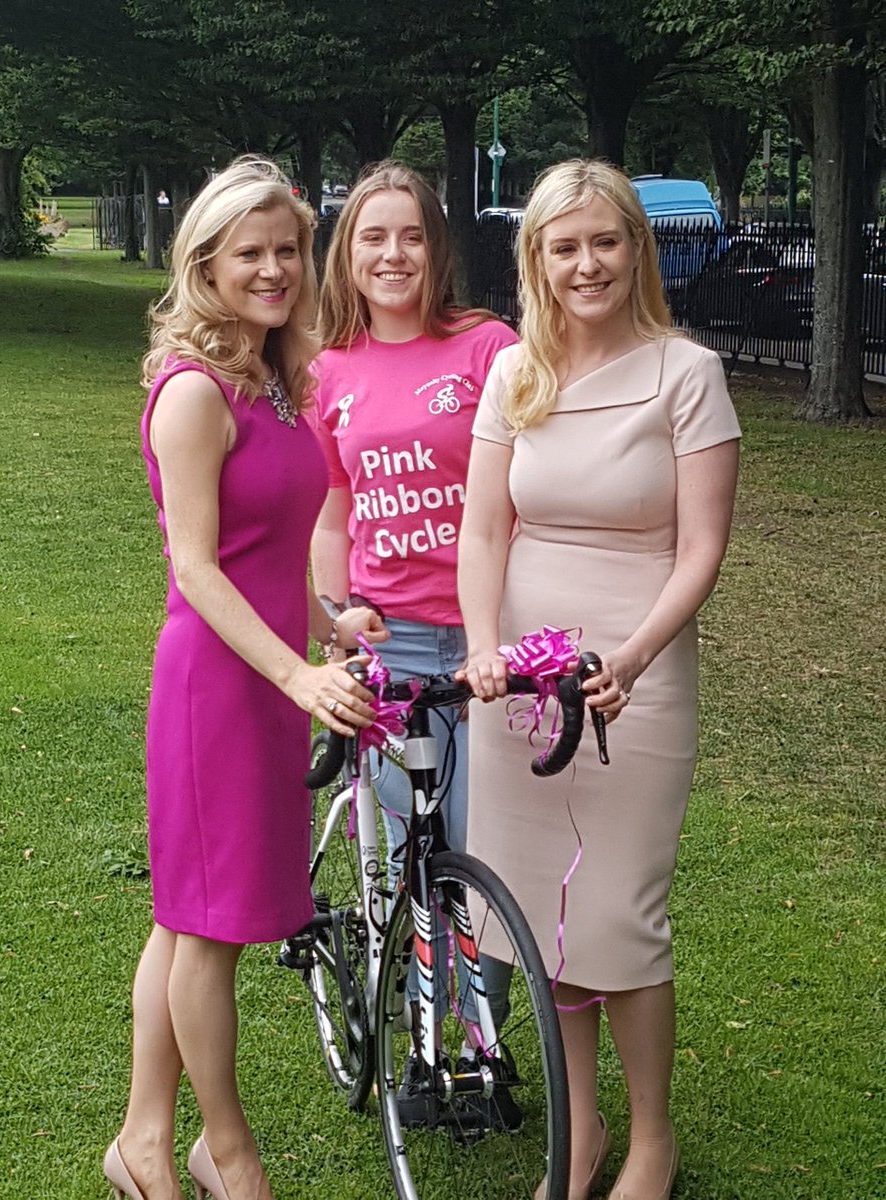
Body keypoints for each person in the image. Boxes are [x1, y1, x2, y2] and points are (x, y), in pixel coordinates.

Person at [457, 159, 740, 1200]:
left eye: (605, 242)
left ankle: (652, 1140)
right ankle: (577, 1137)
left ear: (637, 250)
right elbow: (486, 527)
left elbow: (701, 549)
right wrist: (484, 643)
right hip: (521, 687)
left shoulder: (687, 373)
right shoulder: (515, 374)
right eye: (564, 246)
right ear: (539, 258)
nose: (587, 264)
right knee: (540, 918)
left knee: (621, 912)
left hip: (635, 675)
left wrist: (633, 656)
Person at [103, 156, 386, 1200]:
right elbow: (196, 567)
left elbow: (270, 552)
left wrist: (327, 619)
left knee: (184, 917)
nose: (273, 269)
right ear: (208, 263)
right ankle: (224, 1154)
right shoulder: (194, 392)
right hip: (217, 689)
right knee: (210, 932)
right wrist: (299, 676)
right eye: (250, 253)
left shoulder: (273, 379)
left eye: (288, 250)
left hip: (265, 676)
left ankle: (141, 1142)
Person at [307, 160, 519, 1122]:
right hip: (391, 648)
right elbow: (330, 511)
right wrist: (333, 609)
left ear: (439, 248)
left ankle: (486, 1044)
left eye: (412, 235)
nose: (392, 254)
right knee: (414, 856)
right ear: (346, 254)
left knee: (487, 856)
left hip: (485, 641)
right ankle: (434, 1044)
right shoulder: (325, 371)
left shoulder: (488, 349)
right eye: (371, 236)